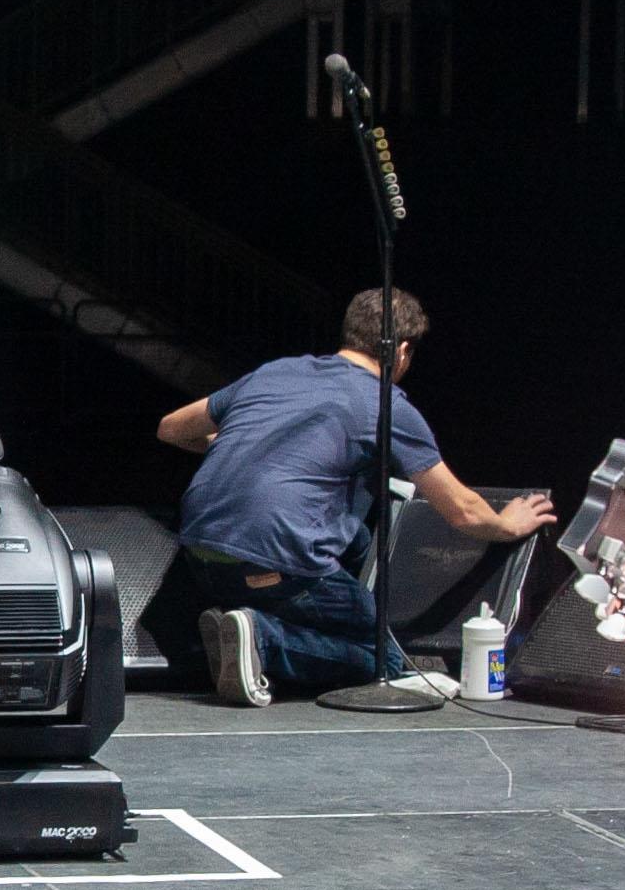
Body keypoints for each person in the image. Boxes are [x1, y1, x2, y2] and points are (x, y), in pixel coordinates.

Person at [156, 287, 554, 704]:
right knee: (384, 661)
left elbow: (171, 428)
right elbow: (462, 510)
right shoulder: (384, 404)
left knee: (358, 538)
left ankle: (250, 631)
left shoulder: (275, 372)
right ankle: (264, 639)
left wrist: (239, 444)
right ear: (402, 351)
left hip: (199, 557)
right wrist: (507, 524)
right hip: (272, 568)